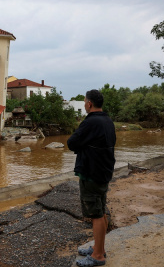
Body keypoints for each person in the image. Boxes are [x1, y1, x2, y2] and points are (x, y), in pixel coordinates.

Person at [67, 89, 116, 267]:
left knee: (96, 214)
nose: (85, 104)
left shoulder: (90, 122)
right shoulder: (107, 120)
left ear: (89, 104)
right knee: (101, 211)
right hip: (104, 171)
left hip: (92, 173)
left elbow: (71, 143)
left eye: (85, 101)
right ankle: (99, 248)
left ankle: (97, 256)